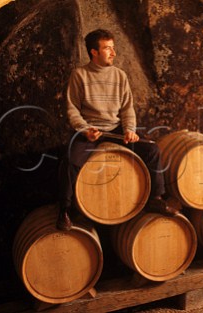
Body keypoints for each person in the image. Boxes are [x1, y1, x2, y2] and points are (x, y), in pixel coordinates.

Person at [57, 29, 177, 231]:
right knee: (70, 161)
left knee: (152, 150)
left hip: (116, 128)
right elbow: (72, 110)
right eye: (107, 48)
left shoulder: (120, 76)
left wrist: (129, 129)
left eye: (113, 48)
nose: (113, 53)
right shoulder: (80, 75)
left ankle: (156, 197)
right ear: (94, 52)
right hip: (90, 130)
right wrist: (85, 129)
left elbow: (127, 108)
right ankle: (65, 210)